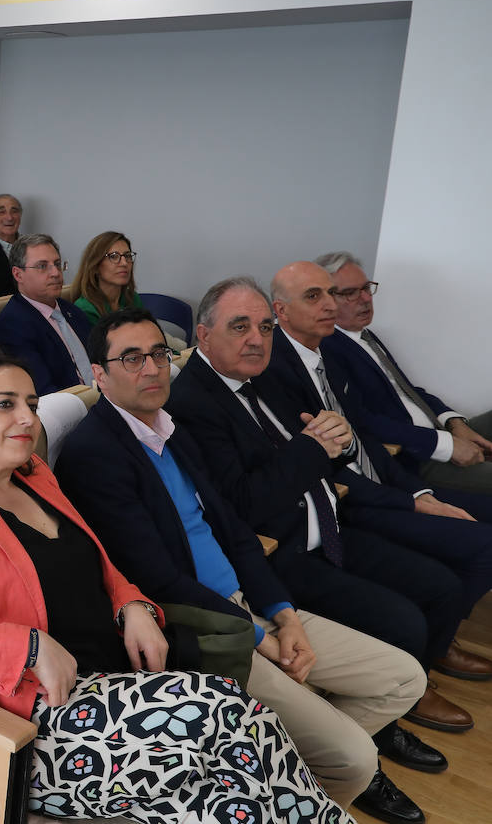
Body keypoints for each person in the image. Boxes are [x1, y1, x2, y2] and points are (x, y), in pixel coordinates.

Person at [0, 351, 350, 823]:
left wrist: (132, 605)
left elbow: (98, 560)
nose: (27, 418)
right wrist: (28, 646)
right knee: (222, 710)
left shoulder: (34, 475)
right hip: (39, 717)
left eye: (32, 405)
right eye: (5, 404)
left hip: (111, 679)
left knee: (234, 782)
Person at [56, 306, 432, 819]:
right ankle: (296, 780)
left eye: (159, 354)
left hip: (252, 606)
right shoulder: (94, 453)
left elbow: (234, 530)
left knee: (404, 678)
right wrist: (262, 639)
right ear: (99, 373)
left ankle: (276, 775)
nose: (151, 368)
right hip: (206, 628)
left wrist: (284, 613)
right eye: (131, 358)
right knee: (354, 758)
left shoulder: (172, 428)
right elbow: (156, 578)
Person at [169, 274, 492, 735]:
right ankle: (391, 717)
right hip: (284, 550)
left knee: (439, 585)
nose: (257, 340)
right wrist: (314, 447)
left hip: (328, 522)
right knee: (405, 619)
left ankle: (407, 691)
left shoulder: (261, 378)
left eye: (264, 328)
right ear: (203, 335)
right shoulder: (192, 402)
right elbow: (243, 504)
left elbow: (320, 448)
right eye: (239, 327)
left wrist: (334, 443)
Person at [317, 251, 492, 496]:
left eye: (366, 288)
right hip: (418, 457)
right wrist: (446, 445)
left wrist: (455, 422)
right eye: (350, 293)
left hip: (441, 433)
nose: (366, 299)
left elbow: (408, 391)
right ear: (325, 299)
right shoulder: (327, 347)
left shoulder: (365, 335)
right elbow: (361, 421)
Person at [0, 234, 95, 394]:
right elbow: (44, 392)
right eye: (42, 266)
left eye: (57, 264)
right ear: (18, 274)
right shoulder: (11, 326)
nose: (56, 273)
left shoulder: (71, 311)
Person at [70, 231, 141, 326]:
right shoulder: (85, 309)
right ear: (95, 266)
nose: (124, 263)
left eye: (127, 256)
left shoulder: (131, 297)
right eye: (114, 256)